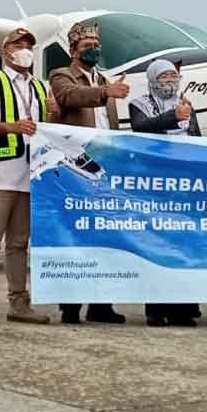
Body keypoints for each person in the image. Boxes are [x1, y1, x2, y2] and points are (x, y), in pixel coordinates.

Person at [0, 27, 60, 326]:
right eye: (18, 44)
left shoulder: (38, 86)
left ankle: (19, 302)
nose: (24, 49)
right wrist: (12, 127)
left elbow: (45, 129)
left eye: (28, 45)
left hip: (28, 175)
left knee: (20, 242)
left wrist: (54, 113)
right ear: (5, 50)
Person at [49, 21, 129, 325]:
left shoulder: (103, 79)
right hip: (75, 166)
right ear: (73, 50)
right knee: (75, 237)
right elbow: (69, 97)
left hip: (103, 165)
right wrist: (104, 92)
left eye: (96, 45)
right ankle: (70, 305)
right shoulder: (62, 75)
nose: (93, 49)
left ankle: (101, 303)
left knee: (104, 236)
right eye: (86, 46)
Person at [129, 58, 201, 327]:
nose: (170, 80)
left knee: (184, 244)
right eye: (164, 76)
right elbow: (141, 127)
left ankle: (183, 308)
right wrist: (173, 117)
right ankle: (156, 308)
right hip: (156, 184)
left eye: (173, 75)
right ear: (152, 79)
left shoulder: (187, 105)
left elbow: (195, 139)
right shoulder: (140, 104)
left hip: (184, 185)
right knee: (157, 244)